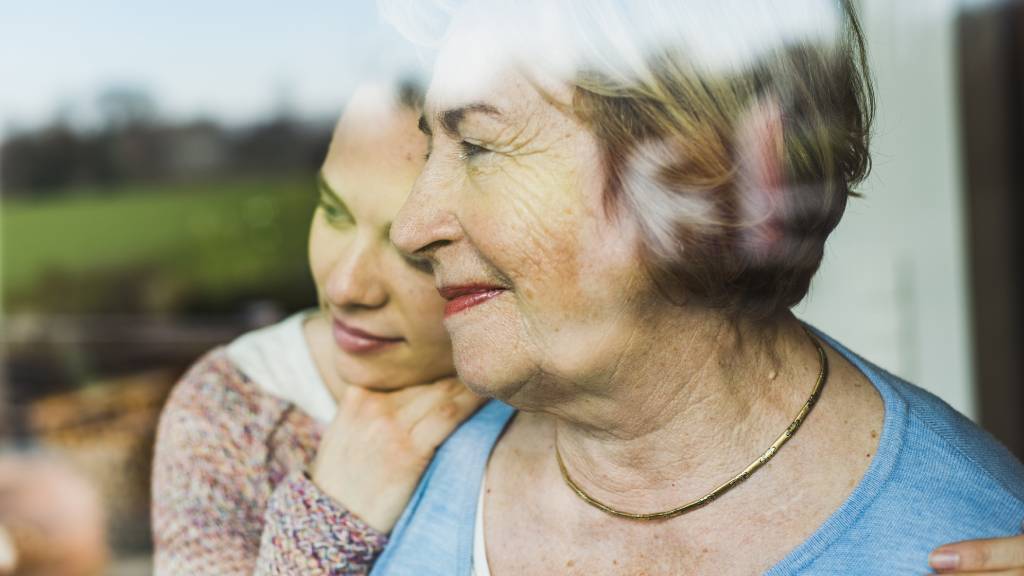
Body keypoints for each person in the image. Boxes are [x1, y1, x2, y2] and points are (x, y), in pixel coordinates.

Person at [371, 0, 1024, 574]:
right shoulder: (373, 463)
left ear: (703, 174)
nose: (411, 228)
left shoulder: (964, 539)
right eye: (433, 150)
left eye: (481, 147)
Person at [150, 82, 485, 575]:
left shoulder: (567, 399)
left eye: (416, 255)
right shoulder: (232, 415)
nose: (346, 288)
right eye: (333, 211)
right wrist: (325, 530)